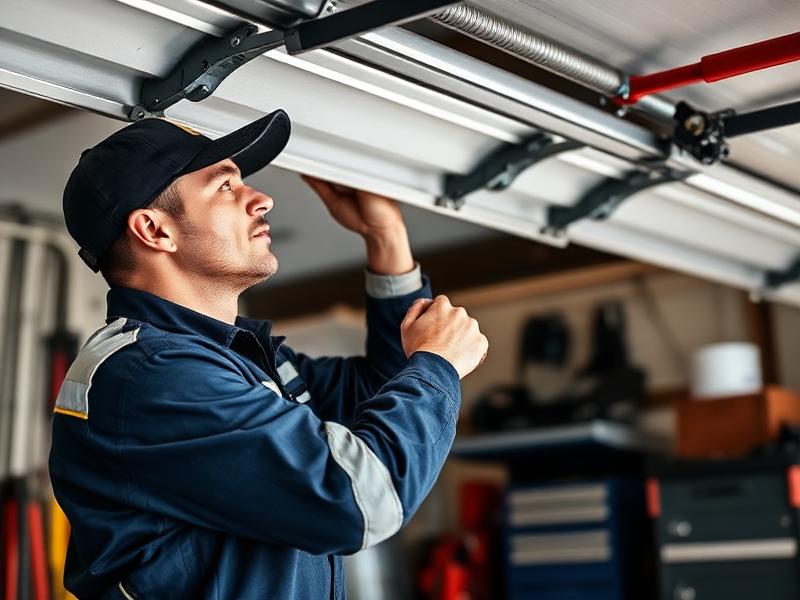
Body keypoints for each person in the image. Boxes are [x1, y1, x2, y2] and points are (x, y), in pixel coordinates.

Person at [49, 109, 488, 599]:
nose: (262, 198)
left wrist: (385, 236)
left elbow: (379, 391)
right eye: (225, 186)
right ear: (155, 231)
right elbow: (359, 500)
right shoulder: (151, 375)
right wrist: (437, 366)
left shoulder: (229, 361)